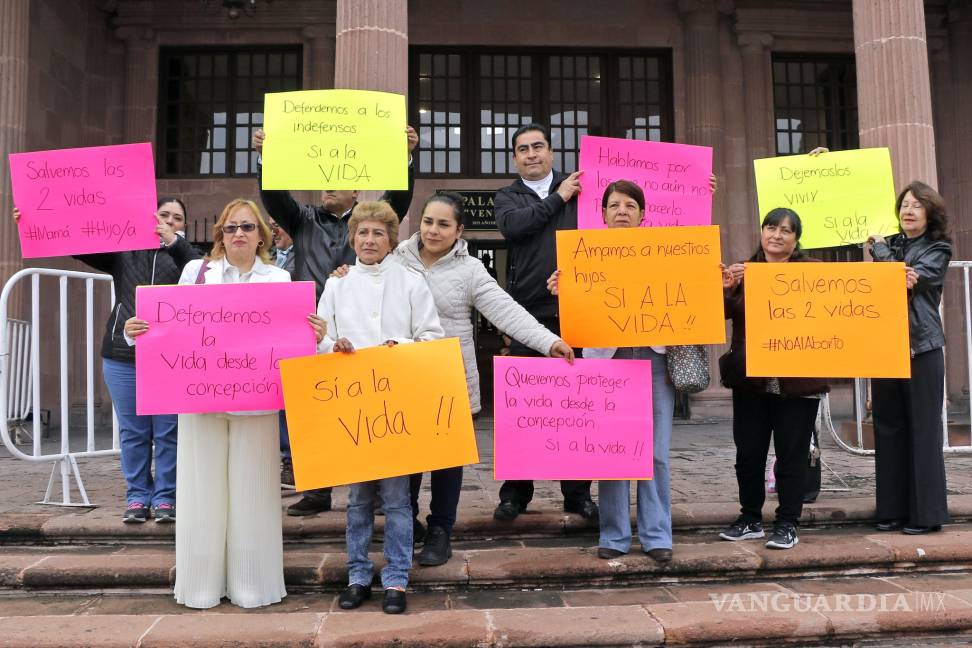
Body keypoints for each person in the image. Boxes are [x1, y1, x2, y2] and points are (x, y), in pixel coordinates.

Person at [124, 198, 325, 609]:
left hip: (258, 406)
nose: (239, 234)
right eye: (232, 227)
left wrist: (317, 335)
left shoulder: (280, 280)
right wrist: (134, 331)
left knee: (254, 495)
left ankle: (254, 586)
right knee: (200, 493)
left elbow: (297, 344)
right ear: (220, 233)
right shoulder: (195, 273)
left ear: (262, 236)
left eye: (248, 227)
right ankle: (200, 586)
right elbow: (164, 328)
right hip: (200, 403)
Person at [398, 191, 575, 566]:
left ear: (459, 230)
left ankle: (440, 531)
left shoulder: (470, 270)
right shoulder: (396, 259)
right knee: (407, 459)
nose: (433, 230)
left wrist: (549, 342)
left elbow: (506, 312)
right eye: (428, 221)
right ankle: (406, 523)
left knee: (447, 461)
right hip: (404, 374)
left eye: (444, 224)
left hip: (450, 374)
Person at [252, 126, 418, 516]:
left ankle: (375, 492)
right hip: (309, 327)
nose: (327, 187)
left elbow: (400, 199)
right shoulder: (302, 219)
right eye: (323, 182)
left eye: (337, 181)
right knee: (309, 416)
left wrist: (405, 157)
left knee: (365, 413)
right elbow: (274, 197)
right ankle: (317, 490)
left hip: (358, 330)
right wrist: (267, 158)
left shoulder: (365, 223)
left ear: (357, 192)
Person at [13, 198, 200, 523]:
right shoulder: (125, 251)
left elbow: (204, 273)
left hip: (172, 358)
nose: (169, 221)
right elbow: (78, 243)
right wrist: (30, 222)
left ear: (184, 226)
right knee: (134, 431)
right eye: (164, 215)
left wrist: (175, 244)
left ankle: (166, 498)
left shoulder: (188, 259)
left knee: (169, 431)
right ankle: (138, 497)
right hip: (121, 354)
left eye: (178, 218)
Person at [316, 200, 444, 615]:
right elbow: (322, 337)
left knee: (396, 499)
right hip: (352, 406)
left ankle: (396, 578)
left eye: (378, 233)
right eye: (362, 233)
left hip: (396, 406)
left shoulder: (411, 281)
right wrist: (333, 345)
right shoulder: (337, 283)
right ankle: (357, 574)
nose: (369, 240)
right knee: (356, 500)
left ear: (391, 240)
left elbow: (430, 335)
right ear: (352, 237)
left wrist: (399, 345)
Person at [547, 181, 676, 562]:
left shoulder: (665, 255)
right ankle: (615, 535)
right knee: (614, 452)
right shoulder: (583, 256)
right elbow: (579, 313)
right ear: (602, 214)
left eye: (630, 205)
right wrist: (563, 289)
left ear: (642, 214)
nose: (622, 211)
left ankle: (657, 536)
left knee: (657, 454)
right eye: (614, 205)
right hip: (608, 361)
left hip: (654, 358)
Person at [492, 123, 597, 523]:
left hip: (580, 312)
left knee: (576, 408)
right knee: (520, 409)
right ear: (515, 158)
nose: (532, 154)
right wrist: (558, 197)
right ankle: (515, 494)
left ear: (551, 152)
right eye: (523, 149)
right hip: (526, 316)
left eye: (538, 147)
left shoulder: (583, 192)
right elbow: (516, 227)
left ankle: (577, 494)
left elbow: (626, 216)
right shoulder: (508, 197)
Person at [719, 208, 829, 550]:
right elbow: (717, 313)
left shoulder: (813, 273)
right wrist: (726, 288)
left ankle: (787, 523)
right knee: (748, 453)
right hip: (751, 381)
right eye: (771, 227)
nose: (777, 235)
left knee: (792, 455)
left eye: (786, 230)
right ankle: (750, 517)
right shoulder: (742, 271)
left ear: (797, 239)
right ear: (762, 232)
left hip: (798, 383)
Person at [867, 181, 951, 534]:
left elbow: (911, 278)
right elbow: (895, 278)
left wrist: (885, 258)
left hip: (921, 346)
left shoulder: (938, 247)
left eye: (917, 204)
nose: (908, 210)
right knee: (888, 428)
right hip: (886, 345)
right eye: (904, 204)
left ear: (930, 211)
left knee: (923, 429)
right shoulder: (890, 243)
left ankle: (926, 515)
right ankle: (891, 510)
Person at [269, 218, 296, 490]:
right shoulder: (268, 259)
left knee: (288, 408)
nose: (274, 230)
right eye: (270, 225)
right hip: (266, 343)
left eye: (279, 224)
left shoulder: (301, 257)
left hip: (289, 339)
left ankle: (291, 461)